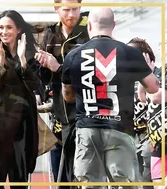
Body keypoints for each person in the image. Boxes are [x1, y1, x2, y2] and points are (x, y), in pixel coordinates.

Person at [60, 7, 159, 187]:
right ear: (113, 25)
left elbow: (67, 96)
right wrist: (145, 69)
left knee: (90, 184)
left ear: (89, 25)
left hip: (87, 129)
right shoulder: (129, 53)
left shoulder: (73, 55)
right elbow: (153, 87)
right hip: (120, 129)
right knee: (124, 184)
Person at [0, 10, 41, 188]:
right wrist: (2, 61)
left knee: (19, 180)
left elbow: (35, 86)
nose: (4, 31)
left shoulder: (29, 53)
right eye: (1, 27)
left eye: (9, 27)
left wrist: (22, 61)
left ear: (19, 29)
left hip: (23, 126)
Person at [34, 0, 90, 185]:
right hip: (60, 114)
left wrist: (58, 67)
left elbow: (93, 71)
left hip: (86, 112)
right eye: (66, 10)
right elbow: (44, 78)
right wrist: (41, 65)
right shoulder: (51, 34)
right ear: (56, 9)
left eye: (75, 9)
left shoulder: (89, 27)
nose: (72, 14)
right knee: (61, 176)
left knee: (83, 175)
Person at [136, 38, 167, 189]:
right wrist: (145, 75)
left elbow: (157, 96)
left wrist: (147, 76)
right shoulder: (156, 72)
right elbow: (143, 98)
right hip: (157, 144)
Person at [127, 37, 157, 189]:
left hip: (149, 135)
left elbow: (150, 100)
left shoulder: (156, 76)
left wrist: (145, 76)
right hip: (130, 135)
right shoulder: (124, 77)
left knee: (146, 178)